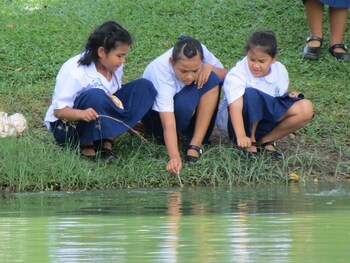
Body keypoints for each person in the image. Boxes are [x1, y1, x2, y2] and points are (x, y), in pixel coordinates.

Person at [44, 21, 157, 161]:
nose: (123, 61)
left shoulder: (114, 66)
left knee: (144, 88)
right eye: (119, 56)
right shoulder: (74, 71)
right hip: (69, 127)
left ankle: (106, 141)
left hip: (99, 117)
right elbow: (58, 111)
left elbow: (113, 97)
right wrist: (81, 114)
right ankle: (87, 144)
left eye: (124, 55)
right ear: (101, 51)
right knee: (95, 94)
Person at [218, 31, 314, 159]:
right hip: (236, 122)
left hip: (263, 119)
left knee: (305, 107)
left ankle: (265, 140)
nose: (255, 65)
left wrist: (289, 97)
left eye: (262, 61)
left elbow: (276, 98)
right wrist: (241, 135)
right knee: (252, 94)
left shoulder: (280, 71)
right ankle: (249, 142)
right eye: (251, 59)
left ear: (274, 59)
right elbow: (235, 106)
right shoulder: (238, 73)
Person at [142, 36, 227, 175]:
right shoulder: (161, 72)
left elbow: (225, 75)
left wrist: (209, 67)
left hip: (183, 105)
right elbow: (168, 123)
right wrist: (174, 157)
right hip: (157, 120)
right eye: (183, 71)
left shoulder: (201, 50)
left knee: (211, 78)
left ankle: (196, 144)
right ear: (171, 61)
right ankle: (177, 138)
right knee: (184, 106)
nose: (189, 77)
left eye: (195, 70)